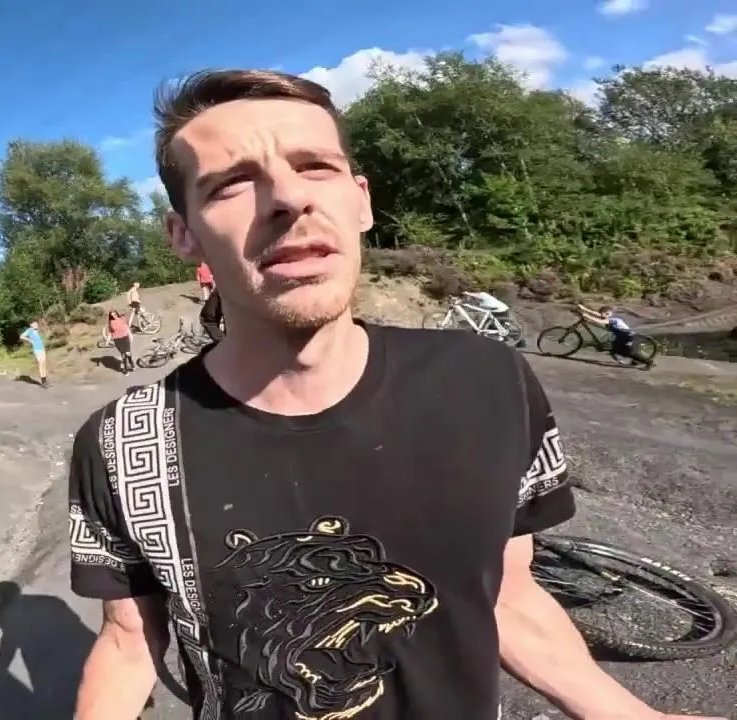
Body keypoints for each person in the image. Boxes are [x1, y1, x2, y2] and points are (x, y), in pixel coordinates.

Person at [67, 69, 711, 720]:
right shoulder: (121, 443)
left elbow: (509, 597)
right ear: (185, 236)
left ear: (361, 201)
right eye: (232, 182)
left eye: (315, 166)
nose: (288, 197)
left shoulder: (485, 382)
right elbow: (128, 643)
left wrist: (636, 716)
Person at [577, 303, 650, 368]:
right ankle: (636, 361)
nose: (602, 315)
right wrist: (583, 308)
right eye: (602, 314)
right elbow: (596, 314)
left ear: (609, 314)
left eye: (605, 314)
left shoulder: (613, 320)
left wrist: (586, 315)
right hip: (621, 337)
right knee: (615, 350)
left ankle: (648, 362)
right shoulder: (608, 317)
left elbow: (600, 321)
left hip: (629, 337)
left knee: (628, 352)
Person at [18, 321, 48, 387]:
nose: (36, 325)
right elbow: (21, 336)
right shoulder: (30, 330)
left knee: (43, 364)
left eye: (37, 324)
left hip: (42, 348)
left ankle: (45, 380)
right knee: (41, 363)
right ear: (31, 325)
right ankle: (43, 382)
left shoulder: (36, 331)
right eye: (34, 324)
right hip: (37, 349)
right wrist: (30, 340)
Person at [107, 310, 134, 374]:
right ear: (111, 316)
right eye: (112, 315)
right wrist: (108, 340)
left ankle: (131, 363)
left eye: (115, 314)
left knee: (128, 353)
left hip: (125, 338)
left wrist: (130, 335)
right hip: (117, 340)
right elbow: (110, 332)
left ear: (117, 313)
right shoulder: (111, 322)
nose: (114, 315)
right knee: (123, 354)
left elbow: (126, 327)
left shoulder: (122, 319)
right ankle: (126, 370)